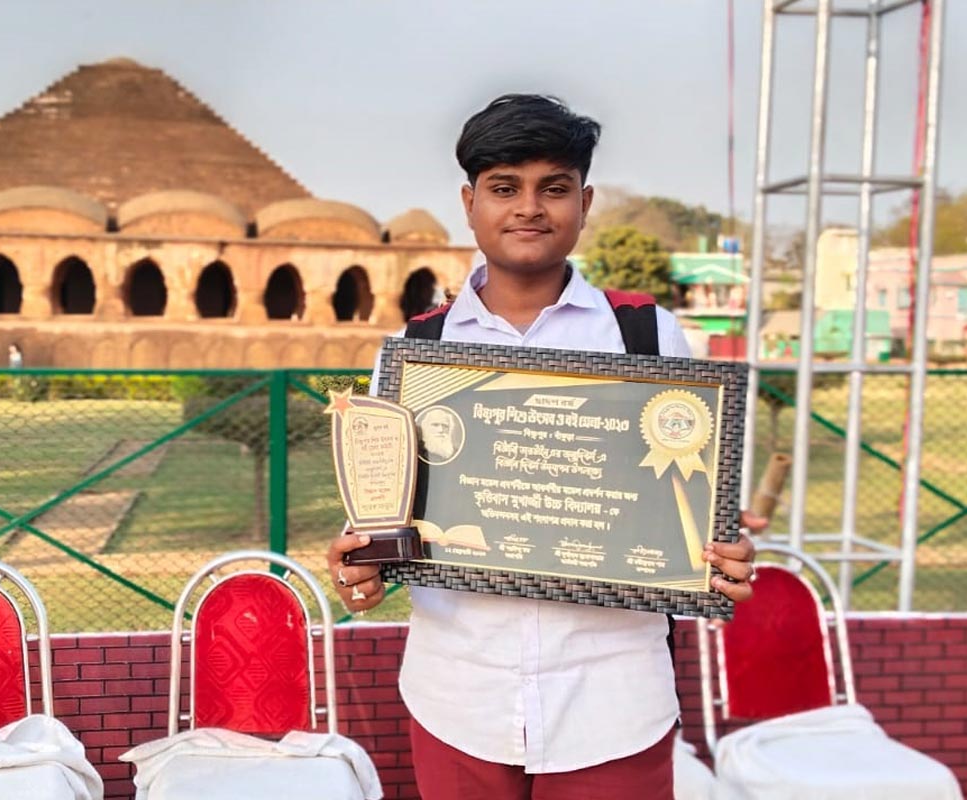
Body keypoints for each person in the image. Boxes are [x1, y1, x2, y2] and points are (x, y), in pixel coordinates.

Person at [327, 94, 766, 800]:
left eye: (553, 188)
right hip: (458, 694)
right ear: (470, 203)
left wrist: (718, 559)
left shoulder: (645, 336)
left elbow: (689, 510)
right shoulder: (415, 353)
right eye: (505, 188)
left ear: (584, 202)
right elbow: (385, 515)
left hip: (613, 699)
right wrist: (363, 562)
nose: (529, 208)